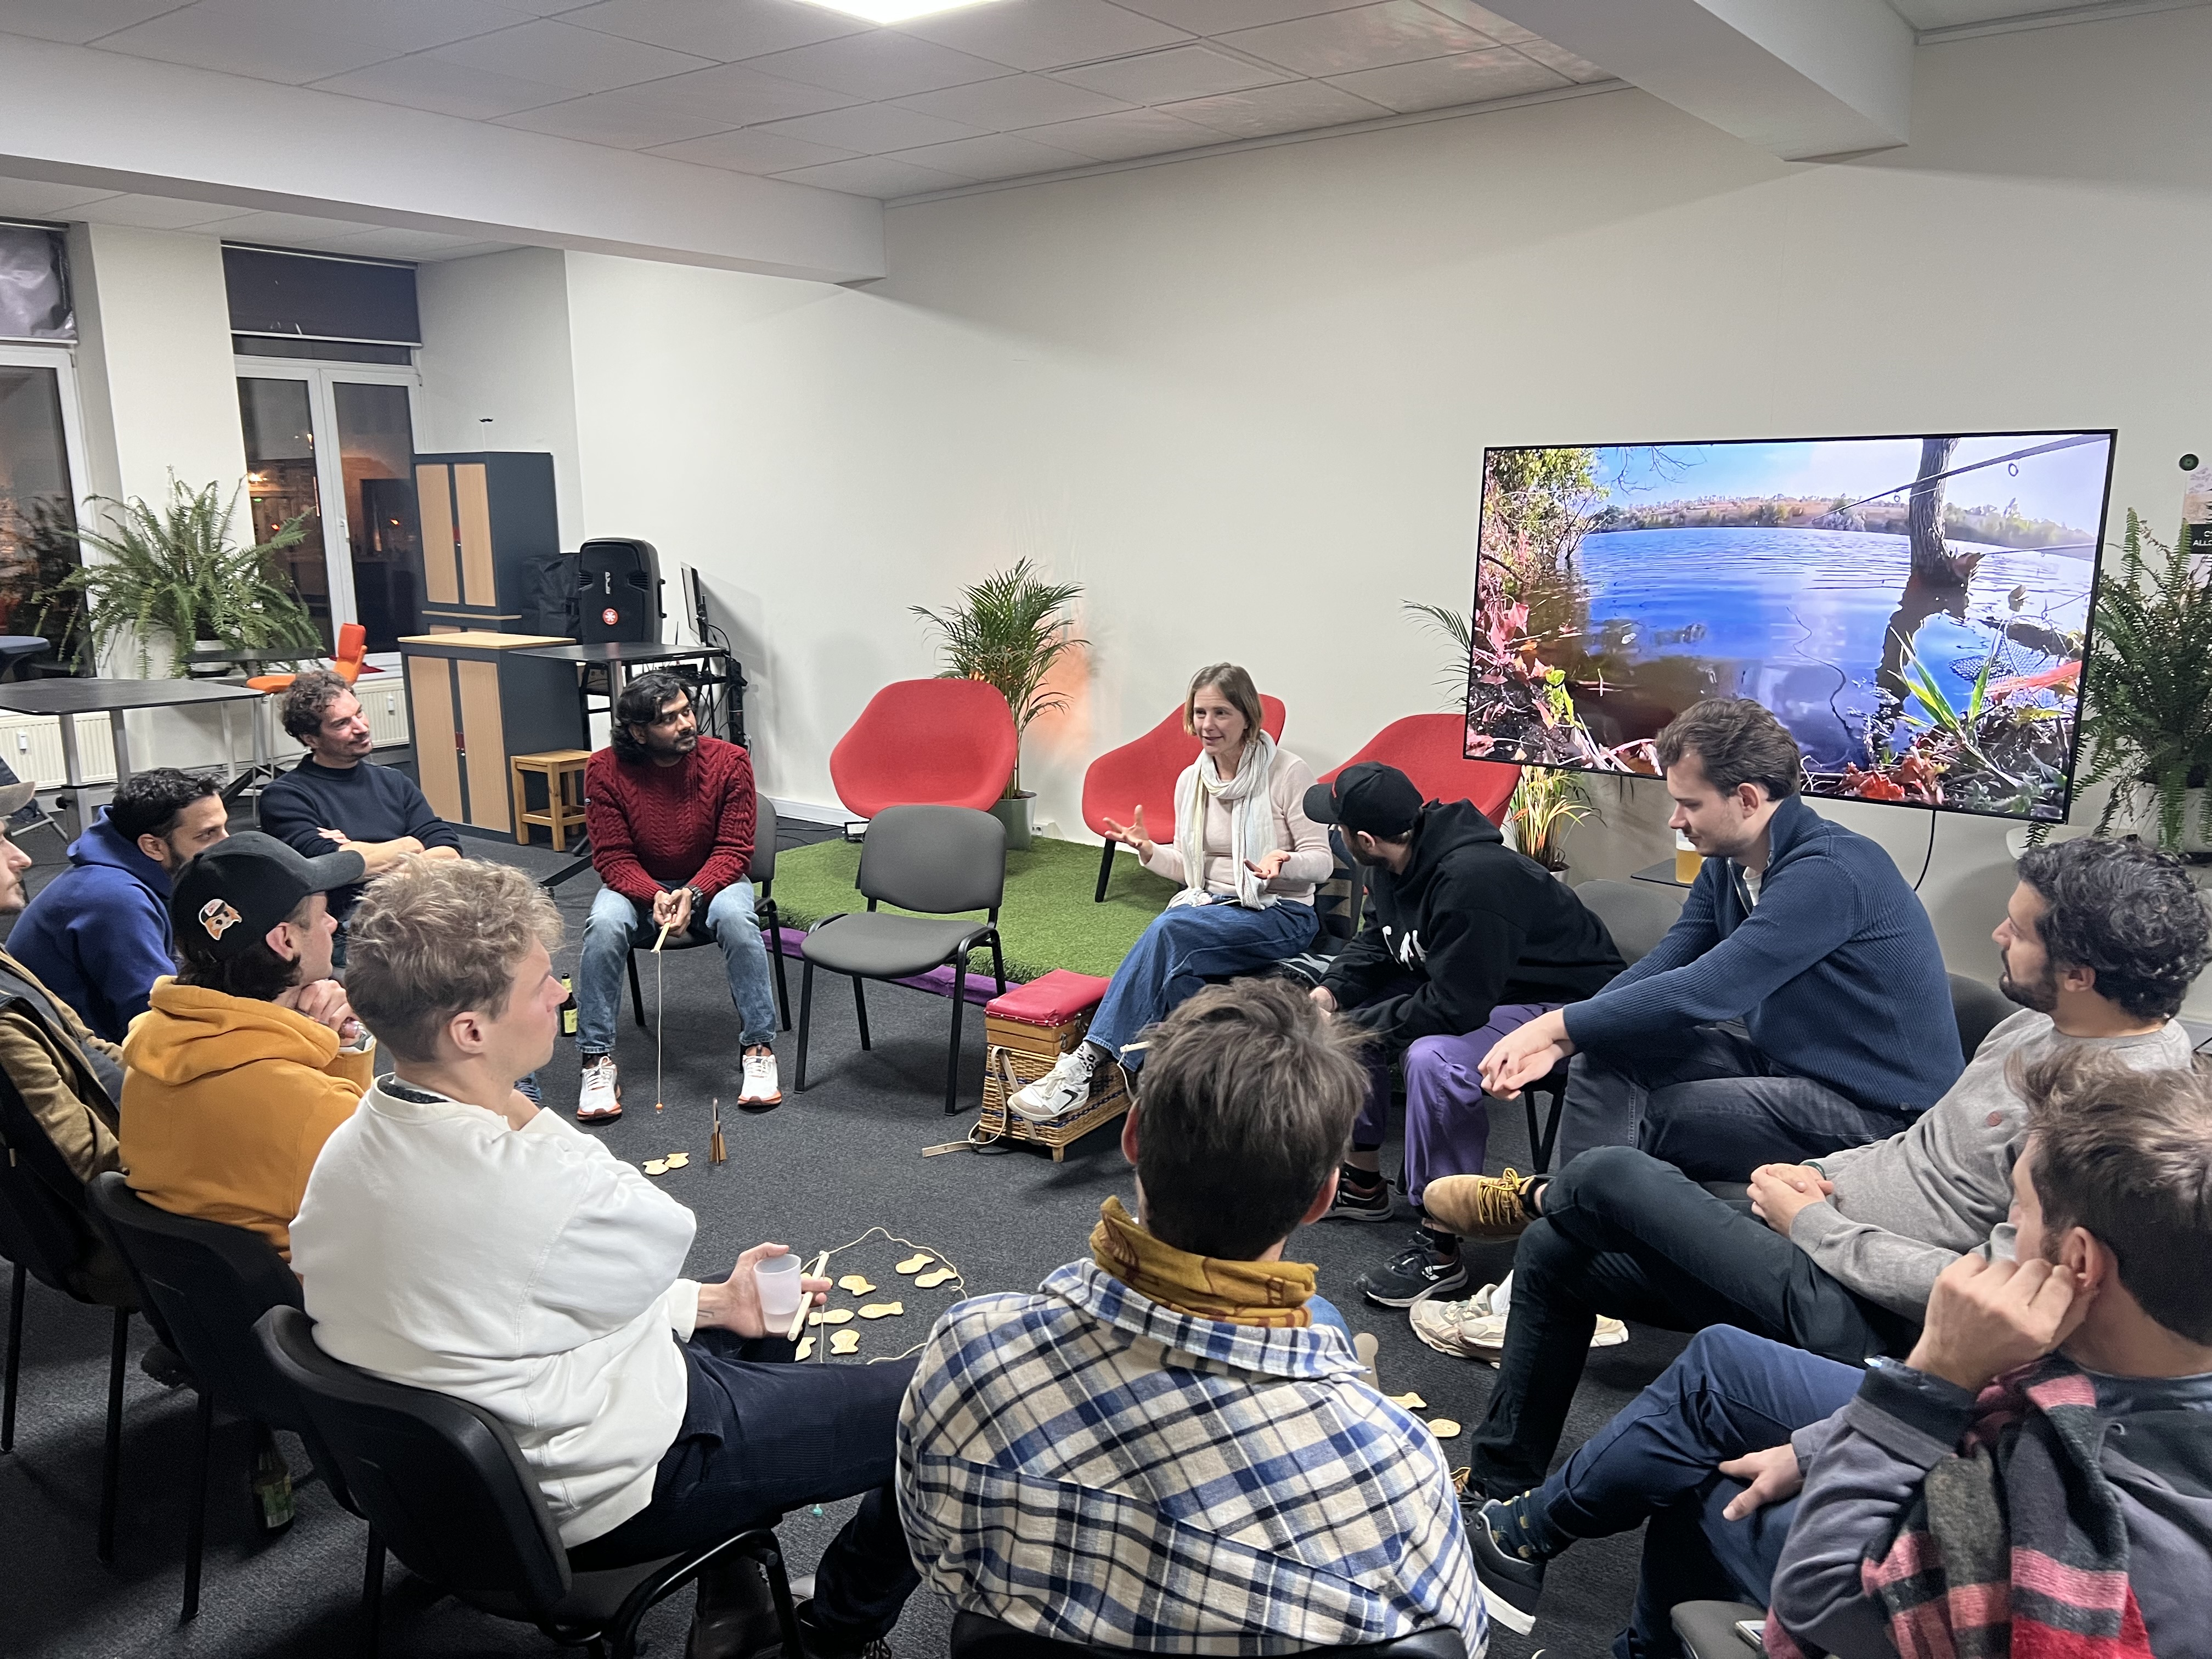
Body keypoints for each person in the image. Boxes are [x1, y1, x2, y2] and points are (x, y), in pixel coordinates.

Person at [1443, 833, 2208, 1504]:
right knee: (1559, 1256)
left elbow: (1996, 1296)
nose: (1999, 930)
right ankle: (1500, 1486)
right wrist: (1817, 1172)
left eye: (2021, 926)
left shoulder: (2120, 1117)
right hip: (1817, 1234)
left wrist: (1813, 1223)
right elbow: (1919, 1151)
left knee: (1612, 1174)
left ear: (2078, 970)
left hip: (1863, 1309)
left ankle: (1541, 1193)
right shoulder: (2037, 1026)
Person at [291, 857, 917, 1659]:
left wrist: (711, 1306)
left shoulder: (348, 1145)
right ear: (470, 1033)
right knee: (945, 1401)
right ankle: (838, 1626)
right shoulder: (533, 1177)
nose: (561, 993)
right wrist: (514, 1100)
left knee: (747, 1310)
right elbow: (659, 1227)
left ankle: (734, 1592)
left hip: (461, 1484)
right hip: (607, 1489)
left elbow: (516, 1290)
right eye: (538, 983)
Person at [1460, 1048, 2212, 1659]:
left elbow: (1821, 1607)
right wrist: (1827, 1445)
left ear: (2079, 1264)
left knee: (1715, 1486)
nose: (2004, 1235)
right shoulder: (2133, 1365)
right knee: (1722, 1463)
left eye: (2017, 1213)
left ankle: (1537, 1549)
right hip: (1853, 1284)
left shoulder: (2095, 1537)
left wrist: (1928, 1381)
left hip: (1874, 1513)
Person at [901, 978, 1483, 1652]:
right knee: (1318, 1314)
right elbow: (1449, 1646)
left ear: (1133, 1136)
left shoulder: (969, 1350)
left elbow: (939, 1562)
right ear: (1324, 1195)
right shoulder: (1393, 1464)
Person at [1472, 698, 1962, 1186]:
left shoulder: (1829, 872)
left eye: (1690, 804)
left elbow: (1706, 990)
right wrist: (1568, 1037)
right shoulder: (1729, 865)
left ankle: (1573, 1219)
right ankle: (1574, 1216)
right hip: (1790, 1066)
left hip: (1881, 1115)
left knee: (1669, 1115)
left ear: (1747, 799)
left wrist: (1552, 1025)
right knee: (1606, 1053)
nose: (1675, 821)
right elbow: (1670, 961)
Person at [1302, 760, 1626, 1307]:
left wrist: (1353, 1027)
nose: (1333, 833)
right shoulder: (1390, 861)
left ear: (1362, 838)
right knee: (1342, 1021)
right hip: (1485, 988)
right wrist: (1329, 995)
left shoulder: (1474, 879)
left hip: (1566, 1009)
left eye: (1336, 826)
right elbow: (1379, 942)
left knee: (1433, 1059)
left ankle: (1440, 1241)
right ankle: (1362, 1183)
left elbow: (1454, 1008)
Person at [1011, 664, 1331, 1120]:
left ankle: (1086, 1063)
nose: (1208, 725)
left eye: (1221, 712)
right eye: (1200, 712)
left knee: (1170, 930)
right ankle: (1192, 1098)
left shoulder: (1287, 773)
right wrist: (1148, 852)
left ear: (1247, 716)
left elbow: (1322, 862)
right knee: (1180, 980)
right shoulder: (1192, 780)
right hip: (1211, 909)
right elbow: (1189, 868)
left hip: (1279, 912)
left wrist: (1282, 864)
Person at [119, 832, 373, 1260]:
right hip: (319, 1305)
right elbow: (396, 1211)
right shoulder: (315, 1107)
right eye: (324, 913)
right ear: (285, 941)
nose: (333, 924)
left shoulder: (148, 1052)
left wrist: (331, 1042)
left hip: (214, 1313)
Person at [577, 671, 780, 1122]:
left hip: (715, 880)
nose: (687, 724)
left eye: (688, 711)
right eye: (670, 719)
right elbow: (612, 856)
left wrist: (693, 891)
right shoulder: (604, 769)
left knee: (736, 920)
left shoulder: (729, 761)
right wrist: (654, 894)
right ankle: (596, 1059)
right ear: (637, 732)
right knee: (604, 925)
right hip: (638, 886)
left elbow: (734, 850)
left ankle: (759, 1047)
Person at [10, 768, 229, 1042]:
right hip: (90, 1064)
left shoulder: (144, 874)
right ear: (153, 847)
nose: (226, 843)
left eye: (223, 827)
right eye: (207, 835)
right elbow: (157, 1018)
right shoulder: (115, 900)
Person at [257, 668, 461, 936]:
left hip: (419, 904)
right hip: (351, 923)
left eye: (359, 713)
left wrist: (362, 855)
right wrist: (413, 844)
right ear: (311, 739)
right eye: (342, 724)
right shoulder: (285, 796)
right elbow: (330, 868)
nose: (361, 728)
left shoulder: (393, 781)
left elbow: (449, 849)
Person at [0, 781, 126, 1186]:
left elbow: (86, 1043)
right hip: (130, 1219)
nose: (23, 858)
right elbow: (89, 1166)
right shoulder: (3, 1021)